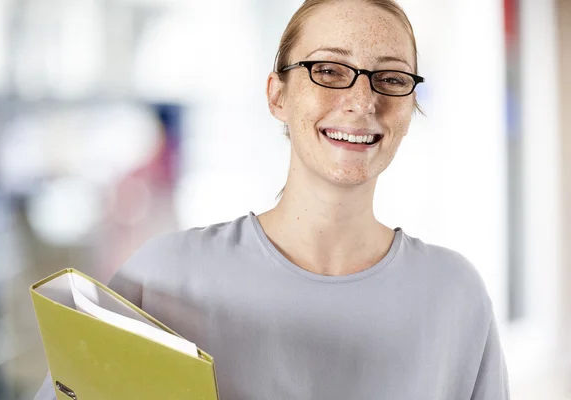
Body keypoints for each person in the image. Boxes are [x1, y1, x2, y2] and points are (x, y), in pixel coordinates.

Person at [34, 0, 510, 399]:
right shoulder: (162, 280)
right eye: (328, 69)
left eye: (391, 79)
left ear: (410, 109)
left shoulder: (455, 297)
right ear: (277, 95)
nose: (364, 100)